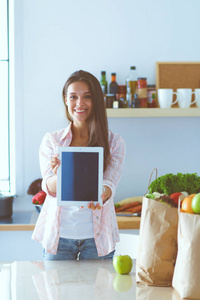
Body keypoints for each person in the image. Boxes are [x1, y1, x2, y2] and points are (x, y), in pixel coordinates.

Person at [32, 70, 125, 260]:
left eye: (87, 97)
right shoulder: (52, 141)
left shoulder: (114, 142)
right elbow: (48, 185)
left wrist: (102, 194)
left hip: (97, 238)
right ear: (66, 100)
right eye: (73, 97)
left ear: (96, 101)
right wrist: (62, 175)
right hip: (59, 238)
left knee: (100, 291)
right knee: (55, 290)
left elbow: (109, 184)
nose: (79, 103)